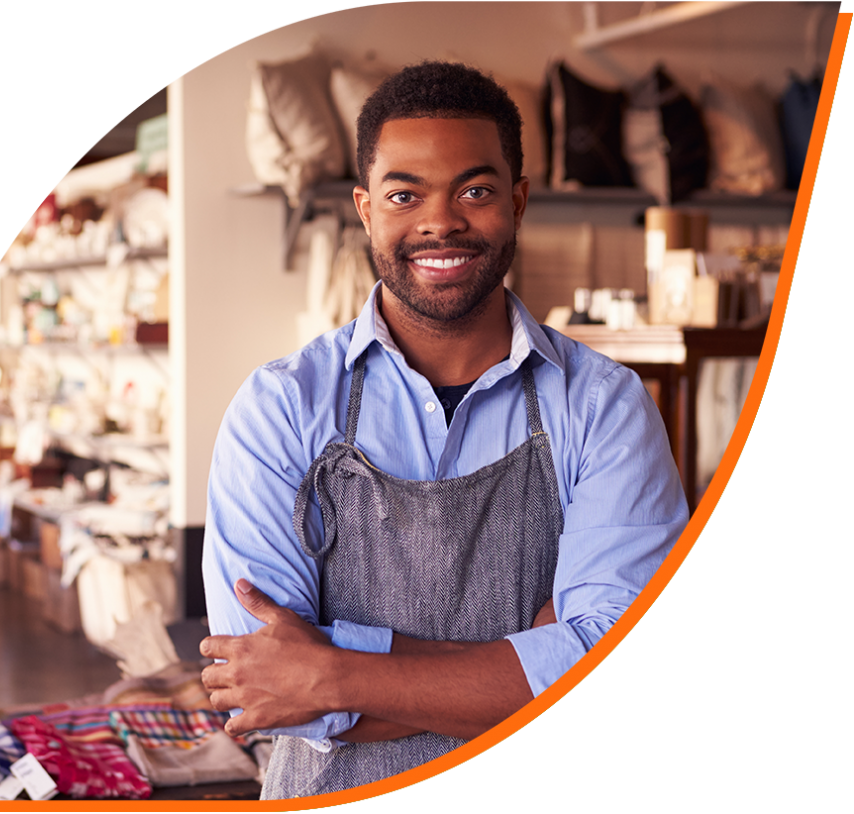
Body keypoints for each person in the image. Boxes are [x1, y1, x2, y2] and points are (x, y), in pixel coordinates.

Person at [200, 61, 689, 799]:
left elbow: (616, 667)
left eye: (476, 190)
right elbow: (260, 684)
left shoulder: (604, 406)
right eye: (405, 195)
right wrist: (529, 657)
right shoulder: (281, 407)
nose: (441, 222)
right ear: (365, 209)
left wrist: (332, 673)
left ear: (518, 202)